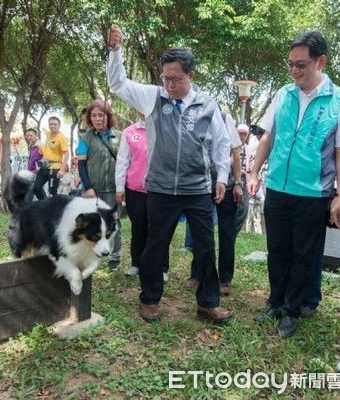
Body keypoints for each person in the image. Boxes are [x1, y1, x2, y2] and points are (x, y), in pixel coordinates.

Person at [107, 25, 232, 323]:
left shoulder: (208, 106)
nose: (170, 85)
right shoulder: (154, 98)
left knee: (205, 248)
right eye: (166, 78)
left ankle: (207, 302)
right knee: (155, 245)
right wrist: (115, 52)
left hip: (197, 190)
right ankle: (149, 298)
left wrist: (222, 178)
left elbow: (223, 144)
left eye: (176, 79)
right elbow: (118, 84)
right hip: (160, 190)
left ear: (192, 75)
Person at [250, 31, 340, 338]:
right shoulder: (283, 94)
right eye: (290, 64)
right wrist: (254, 172)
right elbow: (267, 135)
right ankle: (276, 302)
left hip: (313, 193)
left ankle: (292, 311)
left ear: (320, 61)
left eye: (301, 64)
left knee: (303, 255)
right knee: (277, 250)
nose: (294, 70)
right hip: (278, 188)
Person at [188, 112, 243, 296]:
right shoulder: (192, 117)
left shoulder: (225, 117)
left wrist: (237, 183)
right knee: (200, 232)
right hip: (201, 186)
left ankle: (225, 279)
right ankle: (197, 273)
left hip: (226, 185)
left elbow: (235, 152)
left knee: (227, 233)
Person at [116, 113, 169, 279]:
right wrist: (120, 187)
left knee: (159, 229)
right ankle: (137, 264)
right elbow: (123, 160)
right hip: (135, 189)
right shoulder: (130, 132)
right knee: (138, 228)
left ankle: (161, 268)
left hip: (159, 189)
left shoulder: (165, 130)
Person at [76, 99, 123, 270]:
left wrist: (121, 188)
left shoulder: (120, 137)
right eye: (94, 115)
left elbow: (125, 164)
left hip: (113, 190)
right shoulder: (85, 138)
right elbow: (81, 165)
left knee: (113, 223)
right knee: (90, 224)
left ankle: (115, 256)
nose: (97, 119)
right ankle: (90, 255)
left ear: (108, 116)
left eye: (101, 115)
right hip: (92, 191)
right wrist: (88, 187)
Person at [31, 117, 69, 200]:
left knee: (53, 192)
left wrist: (62, 170)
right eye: (50, 124)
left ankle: (54, 211)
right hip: (44, 166)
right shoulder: (48, 134)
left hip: (55, 168)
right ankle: (45, 205)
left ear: (59, 125)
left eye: (55, 124)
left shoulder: (61, 137)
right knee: (36, 188)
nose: (52, 126)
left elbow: (66, 154)